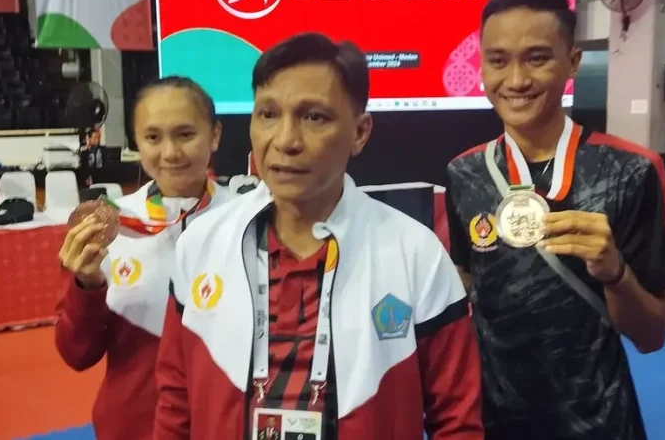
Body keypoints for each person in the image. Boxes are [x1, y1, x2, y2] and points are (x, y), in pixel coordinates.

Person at [153, 33, 484, 440]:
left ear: (360, 132)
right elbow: (175, 401)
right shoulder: (202, 243)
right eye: (268, 114)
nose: (285, 141)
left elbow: (457, 420)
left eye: (314, 117)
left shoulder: (415, 253)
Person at [445, 0, 665, 440]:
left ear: (572, 62)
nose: (516, 80)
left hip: (599, 422)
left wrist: (614, 272)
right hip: (493, 422)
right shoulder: (464, 173)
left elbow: (652, 337)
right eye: (498, 60)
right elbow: (466, 293)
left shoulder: (631, 171)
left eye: (537, 58)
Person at [55, 76, 245, 440]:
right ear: (137, 142)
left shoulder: (246, 222)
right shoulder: (109, 226)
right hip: (133, 428)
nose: (170, 153)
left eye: (185, 134)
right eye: (153, 137)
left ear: (215, 135)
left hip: (224, 426)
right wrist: (85, 285)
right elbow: (77, 354)